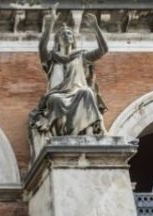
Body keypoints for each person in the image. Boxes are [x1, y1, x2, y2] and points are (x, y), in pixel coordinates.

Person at [29, 6, 108, 156]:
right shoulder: (52, 58)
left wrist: (96, 28)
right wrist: (50, 25)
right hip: (58, 94)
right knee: (54, 99)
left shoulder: (81, 56)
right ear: (58, 39)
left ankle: (90, 131)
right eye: (63, 33)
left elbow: (103, 50)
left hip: (77, 91)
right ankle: (63, 134)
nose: (67, 35)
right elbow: (41, 46)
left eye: (69, 33)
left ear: (73, 38)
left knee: (87, 92)